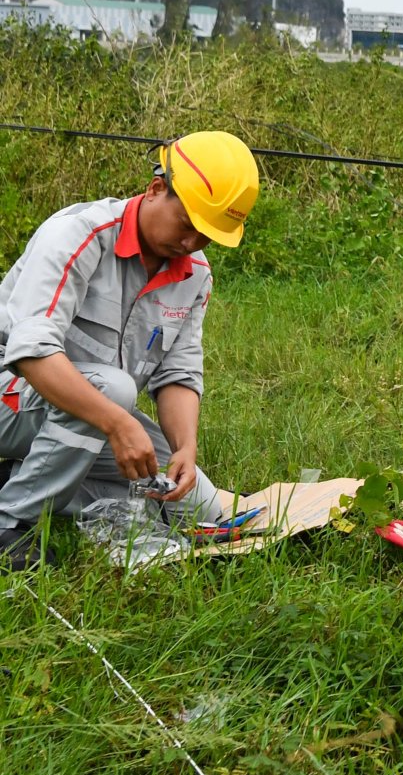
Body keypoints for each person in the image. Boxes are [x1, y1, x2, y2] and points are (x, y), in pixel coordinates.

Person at [0, 130, 260, 569]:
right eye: (188, 226)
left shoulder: (194, 275)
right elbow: (31, 352)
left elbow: (177, 374)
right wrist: (118, 423)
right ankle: (12, 522)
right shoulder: (77, 234)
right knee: (115, 390)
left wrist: (185, 449)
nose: (193, 244)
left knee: (197, 508)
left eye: (208, 236)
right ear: (157, 188)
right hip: (10, 396)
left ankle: (14, 477)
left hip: (87, 413)